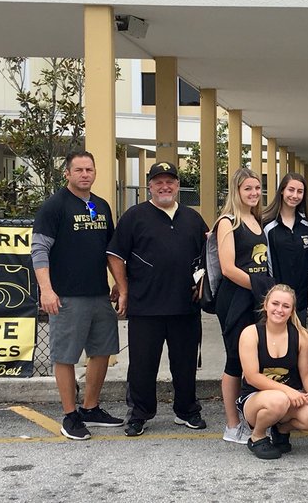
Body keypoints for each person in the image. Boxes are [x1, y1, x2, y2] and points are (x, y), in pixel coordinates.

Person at [107, 161, 208, 437]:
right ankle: (139, 414)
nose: (165, 186)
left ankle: (187, 410)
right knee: (142, 365)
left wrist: (203, 283)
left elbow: (207, 256)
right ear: (149, 186)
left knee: (185, 364)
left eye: (170, 182)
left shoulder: (193, 218)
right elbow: (115, 254)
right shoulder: (135, 216)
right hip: (145, 307)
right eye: (159, 182)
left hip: (185, 308)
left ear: (178, 186)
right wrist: (123, 289)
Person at [31, 150, 123, 440]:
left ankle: (90, 408)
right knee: (66, 356)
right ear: (67, 174)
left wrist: (120, 283)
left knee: (102, 352)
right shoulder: (54, 206)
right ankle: (70, 416)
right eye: (79, 170)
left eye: (89, 170)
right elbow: (39, 250)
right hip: (67, 296)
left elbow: (111, 250)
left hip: (98, 293)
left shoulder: (102, 206)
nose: (85, 174)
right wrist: (46, 289)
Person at [215, 166, 273, 443]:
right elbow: (228, 268)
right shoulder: (228, 221)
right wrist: (265, 288)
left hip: (256, 298)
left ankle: (252, 416)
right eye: (247, 188)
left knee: (255, 357)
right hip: (236, 298)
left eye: (257, 188)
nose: (253, 193)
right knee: (235, 358)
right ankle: (231, 425)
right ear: (236, 191)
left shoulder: (255, 219)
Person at [237, 284, 308, 459]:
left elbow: (307, 372)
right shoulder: (251, 333)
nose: (279, 310)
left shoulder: (302, 336)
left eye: (286, 306)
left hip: (288, 399)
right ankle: (258, 436)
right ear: (266, 305)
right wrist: (289, 392)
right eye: (275, 304)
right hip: (256, 400)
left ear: (292, 310)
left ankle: (280, 429)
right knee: (279, 399)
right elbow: (252, 376)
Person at [263, 172, 308, 327]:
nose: (295, 195)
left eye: (300, 191)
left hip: (300, 301)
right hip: (275, 302)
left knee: (298, 344)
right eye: (291, 190)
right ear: (282, 191)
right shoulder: (266, 225)